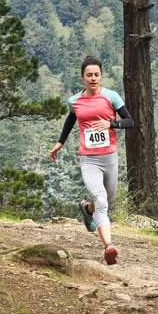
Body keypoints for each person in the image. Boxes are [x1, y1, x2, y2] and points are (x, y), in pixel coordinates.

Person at [49, 55, 133, 265]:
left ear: (101, 76)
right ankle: (109, 246)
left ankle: (87, 210)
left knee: (105, 200)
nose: (93, 78)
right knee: (102, 200)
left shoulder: (111, 97)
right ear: (82, 77)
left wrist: (111, 124)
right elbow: (71, 119)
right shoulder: (75, 101)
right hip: (89, 160)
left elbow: (130, 122)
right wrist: (60, 142)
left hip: (110, 158)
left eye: (96, 74)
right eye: (89, 75)